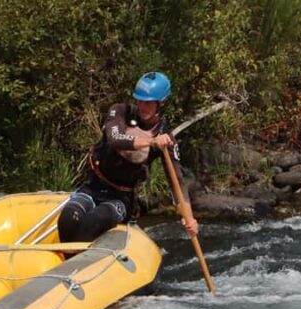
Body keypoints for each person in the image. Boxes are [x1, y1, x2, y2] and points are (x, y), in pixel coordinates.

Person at [57, 72, 199, 243]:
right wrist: (151, 141)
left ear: (161, 103)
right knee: (67, 219)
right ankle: (66, 259)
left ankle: (77, 262)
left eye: (148, 102)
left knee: (93, 221)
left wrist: (189, 218)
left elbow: (177, 182)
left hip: (121, 199)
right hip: (93, 186)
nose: (142, 106)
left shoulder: (166, 139)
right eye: (139, 100)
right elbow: (115, 139)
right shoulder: (120, 111)